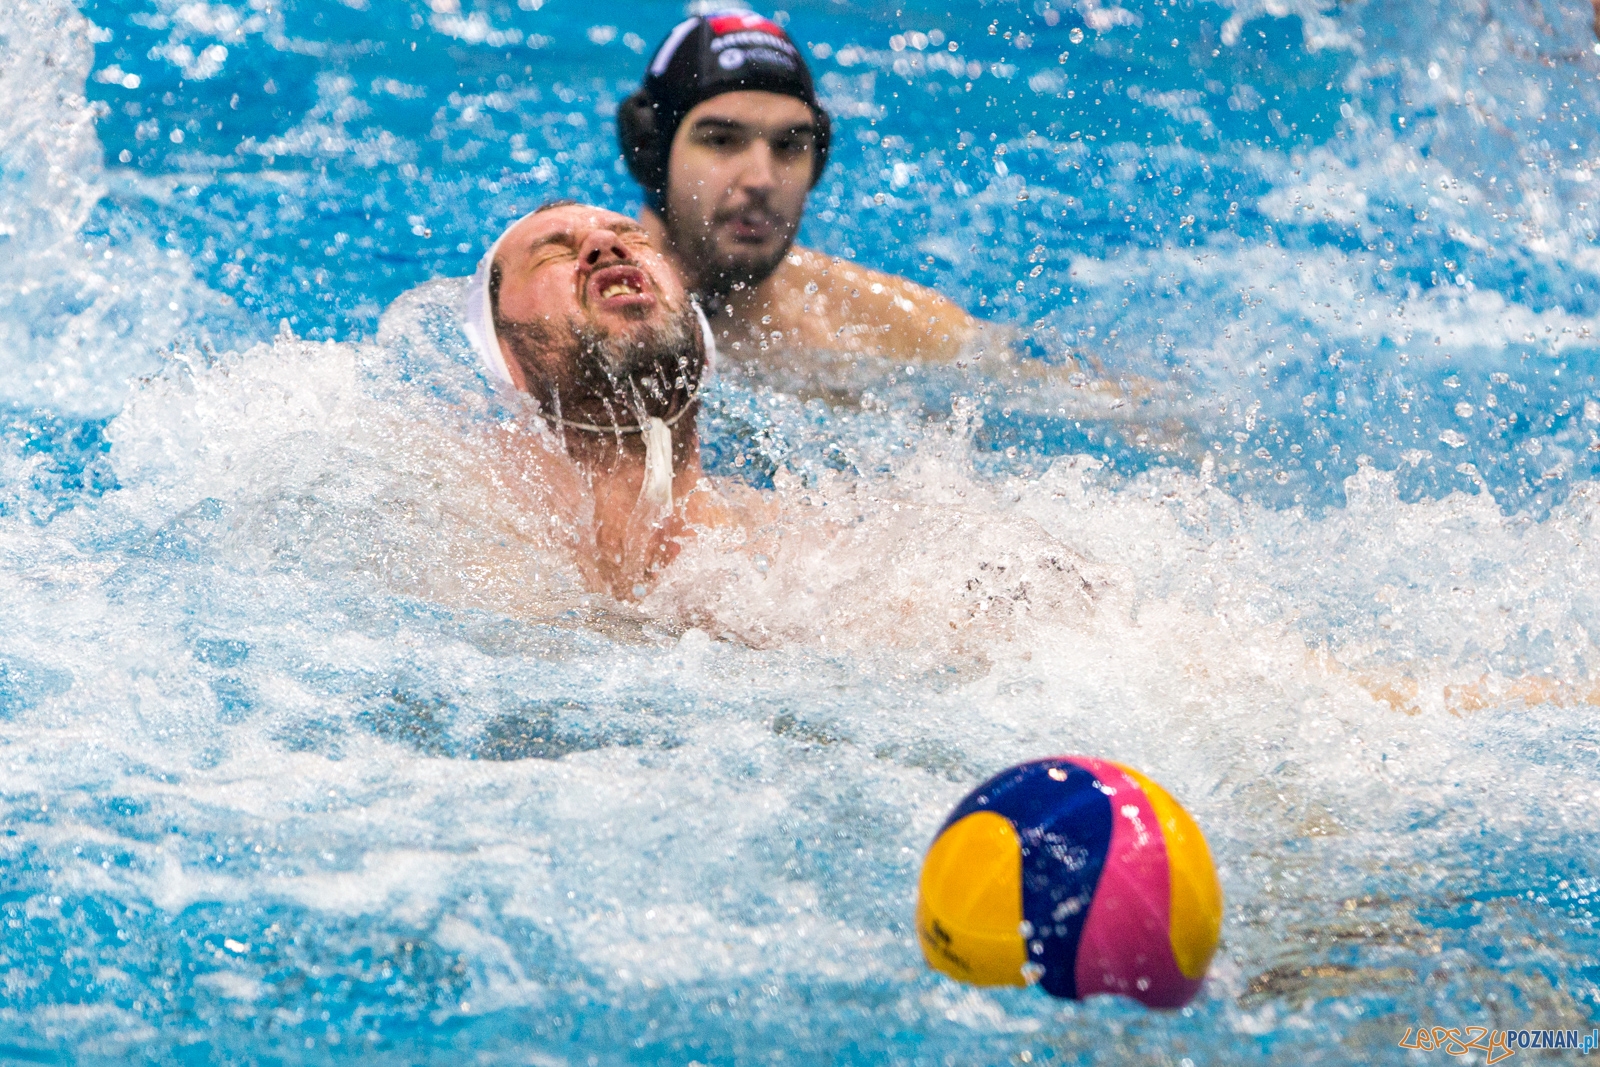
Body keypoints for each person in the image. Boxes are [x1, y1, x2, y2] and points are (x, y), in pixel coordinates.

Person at [616, 9, 981, 368]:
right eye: (722, 140)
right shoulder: (592, 323)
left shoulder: (900, 329)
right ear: (650, 154)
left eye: (789, 145)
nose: (762, 179)